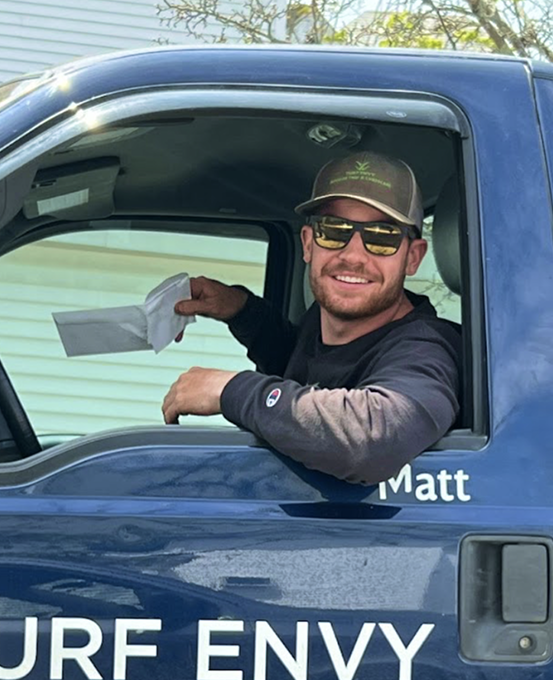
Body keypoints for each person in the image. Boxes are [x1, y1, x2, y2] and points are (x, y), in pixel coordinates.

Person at [160, 151, 461, 485]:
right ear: (308, 244)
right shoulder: (324, 322)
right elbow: (302, 361)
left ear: (413, 258)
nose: (353, 256)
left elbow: (373, 441)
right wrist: (240, 309)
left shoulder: (427, 351)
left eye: (381, 237)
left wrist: (230, 389)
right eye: (333, 230)